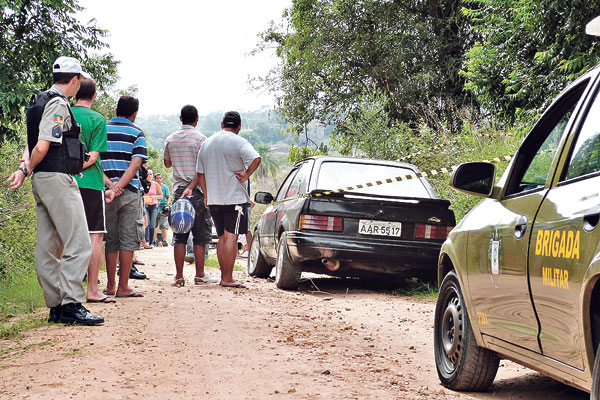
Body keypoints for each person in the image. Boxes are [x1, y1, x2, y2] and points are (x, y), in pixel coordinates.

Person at [7, 56, 104, 325]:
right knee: (79, 242)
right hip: (57, 179)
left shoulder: (39, 101)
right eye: (79, 80)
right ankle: (72, 304)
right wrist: (25, 170)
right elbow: (44, 145)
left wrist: (25, 168)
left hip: (42, 178)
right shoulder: (58, 104)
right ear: (75, 80)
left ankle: (57, 307)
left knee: (49, 245)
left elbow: (34, 144)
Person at [195, 111, 261, 288]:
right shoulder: (239, 141)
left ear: (222, 123)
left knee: (222, 237)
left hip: (214, 197)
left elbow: (200, 172)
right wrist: (246, 174)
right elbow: (256, 158)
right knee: (231, 237)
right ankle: (227, 277)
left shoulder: (206, 143)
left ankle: (225, 276)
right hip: (234, 196)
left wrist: (207, 195)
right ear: (239, 126)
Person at [71, 76, 117, 304]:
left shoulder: (65, 113)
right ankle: (92, 289)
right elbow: (94, 156)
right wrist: (79, 166)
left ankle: (67, 290)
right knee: (95, 236)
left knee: (66, 235)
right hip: (90, 183)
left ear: (74, 93)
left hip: (65, 182)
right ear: (94, 95)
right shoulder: (98, 119)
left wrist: (67, 169)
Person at [163, 105, 217, 287]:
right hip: (198, 192)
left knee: (179, 234)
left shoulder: (170, 139)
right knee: (200, 234)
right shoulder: (202, 139)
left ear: (180, 118)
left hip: (179, 192)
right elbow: (203, 168)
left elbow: (167, 163)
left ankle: (178, 276)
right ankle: (200, 274)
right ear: (197, 119)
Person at [101, 96, 148, 298]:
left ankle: (110, 285)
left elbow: (94, 160)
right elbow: (136, 164)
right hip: (129, 192)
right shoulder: (137, 133)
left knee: (110, 239)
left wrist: (110, 186)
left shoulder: (102, 129)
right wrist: (119, 186)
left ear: (115, 109)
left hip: (104, 192)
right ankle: (123, 287)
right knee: (128, 240)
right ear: (134, 114)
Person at [143, 169, 163, 246]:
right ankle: (147, 241)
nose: (149, 175)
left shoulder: (155, 184)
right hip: (145, 205)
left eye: (151, 174)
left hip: (154, 206)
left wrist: (155, 197)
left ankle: (151, 242)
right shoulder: (143, 183)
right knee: (146, 222)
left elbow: (161, 195)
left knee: (152, 224)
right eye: (148, 174)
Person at [155, 172, 170, 246]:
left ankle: (164, 241)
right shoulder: (153, 186)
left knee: (163, 225)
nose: (158, 180)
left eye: (160, 178)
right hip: (155, 207)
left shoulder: (165, 187)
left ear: (162, 179)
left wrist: (167, 203)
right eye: (157, 178)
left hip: (163, 208)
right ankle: (154, 240)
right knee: (154, 224)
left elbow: (168, 197)